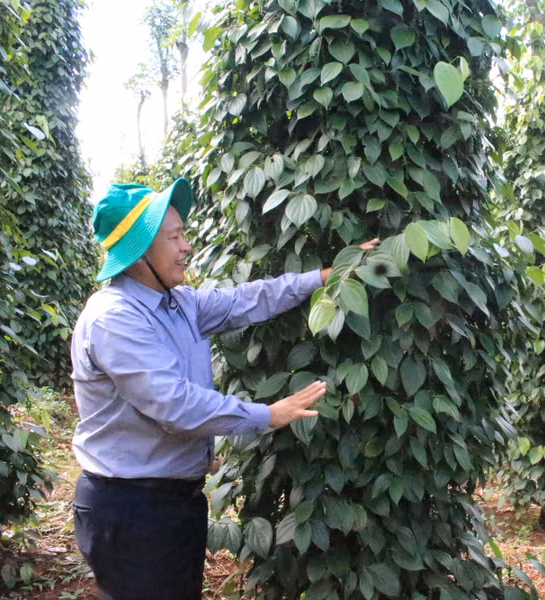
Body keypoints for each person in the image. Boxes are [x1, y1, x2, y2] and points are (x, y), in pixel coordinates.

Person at [70, 178, 376, 600]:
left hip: (172, 503)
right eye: (174, 237)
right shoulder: (114, 319)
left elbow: (248, 300)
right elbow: (174, 404)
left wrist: (325, 275)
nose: (186, 247)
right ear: (139, 251)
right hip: (132, 509)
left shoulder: (177, 303)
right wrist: (268, 414)